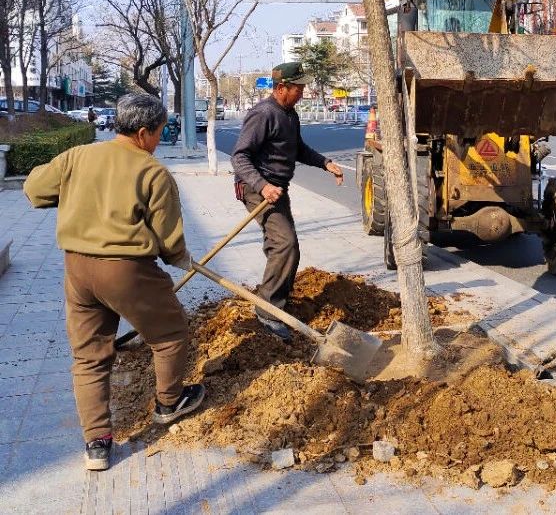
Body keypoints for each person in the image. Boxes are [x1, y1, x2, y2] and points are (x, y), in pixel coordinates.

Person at [23, 93, 205, 472]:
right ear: (142, 132)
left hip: (78, 270)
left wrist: (77, 194)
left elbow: (35, 190)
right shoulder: (152, 172)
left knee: (89, 357)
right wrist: (179, 258)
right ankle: (169, 402)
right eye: (158, 133)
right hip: (128, 271)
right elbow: (169, 240)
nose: (158, 140)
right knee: (170, 333)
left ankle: (97, 444)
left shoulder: (78, 156)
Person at [231, 62, 344, 341]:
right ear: (281, 88)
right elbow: (240, 157)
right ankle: (268, 312)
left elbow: (297, 149)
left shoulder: (289, 115)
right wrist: (263, 185)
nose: (302, 94)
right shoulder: (263, 114)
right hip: (258, 189)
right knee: (285, 244)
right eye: (298, 89)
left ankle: (274, 297)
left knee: (282, 246)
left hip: (276, 189)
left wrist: (325, 163)